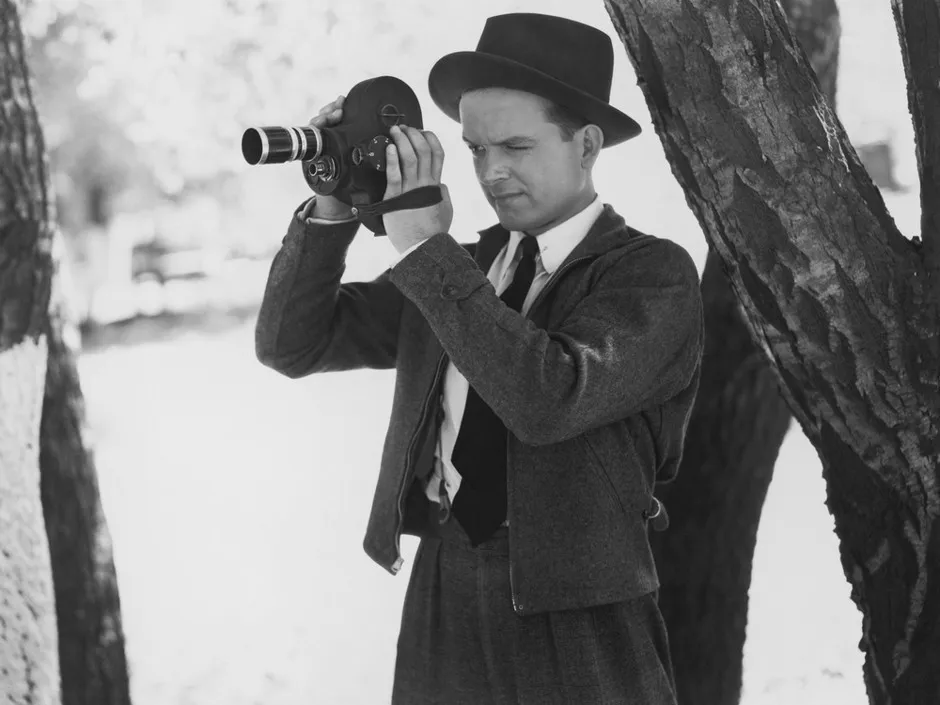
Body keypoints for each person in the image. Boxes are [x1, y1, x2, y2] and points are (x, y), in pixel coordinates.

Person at [255, 12, 704, 705]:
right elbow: (292, 343)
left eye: (517, 146)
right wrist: (332, 205)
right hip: (444, 581)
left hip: (581, 611)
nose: (492, 172)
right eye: (475, 149)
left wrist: (424, 249)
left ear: (586, 144)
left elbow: (547, 398)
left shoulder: (651, 275)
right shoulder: (459, 271)